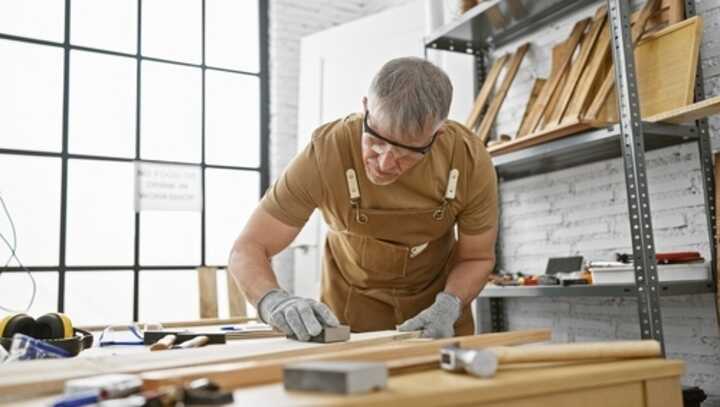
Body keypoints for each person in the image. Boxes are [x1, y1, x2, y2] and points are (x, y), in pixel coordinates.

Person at [228, 57, 498, 341]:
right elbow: (249, 248)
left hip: (436, 316)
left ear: (437, 134)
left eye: (406, 154)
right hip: (350, 314)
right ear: (366, 108)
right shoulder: (326, 153)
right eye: (375, 141)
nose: (384, 163)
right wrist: (274, 302)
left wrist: (449, 306)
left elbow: (476, 256)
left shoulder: (468, 160)